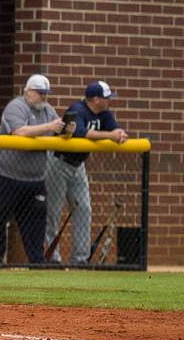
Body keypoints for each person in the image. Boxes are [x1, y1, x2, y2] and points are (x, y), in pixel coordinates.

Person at [0, 74, 73, 269]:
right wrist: (49, 127)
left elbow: (57, 130)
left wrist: (67, 130)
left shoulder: (48, 110)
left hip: (34, 179)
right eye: (40, 93)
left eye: (46, 94)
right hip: (4, 174)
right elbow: (19, 132)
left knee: (36, 221)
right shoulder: (16, 107)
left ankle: (37, 262)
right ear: (28, 91)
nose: (44, 98)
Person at [46, 81, 130, 267]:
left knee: (84, 209)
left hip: (78, 166)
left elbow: (114, 129)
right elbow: (81, 133)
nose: (109, 101)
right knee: (53, 212)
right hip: (58, 163)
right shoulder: (78, 109)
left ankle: (80, 259)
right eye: (107, 98)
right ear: (96, 99)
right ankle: (52, 259)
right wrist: (110, 136)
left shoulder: (105, 114)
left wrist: (119, 133)